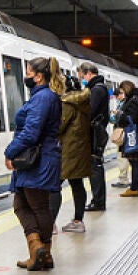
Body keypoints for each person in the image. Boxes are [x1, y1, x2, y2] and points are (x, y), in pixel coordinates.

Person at [5, 57, 62, 271]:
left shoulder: (43, 98)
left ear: (38, 76)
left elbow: (31, 132)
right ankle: (39, 251)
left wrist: (10, 152)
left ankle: (40, 250)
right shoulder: (43, 96)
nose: (26, 76)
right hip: (38, 159)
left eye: (28, 72)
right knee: (22, 205)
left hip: (38, 160)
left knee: (38, 207)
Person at [57, 71, 92, 233]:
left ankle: (49, 224)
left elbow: (59, 126)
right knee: (77, 184)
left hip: (69, 148)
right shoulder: (82, 101)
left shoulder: (68, 103)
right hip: (80, 147)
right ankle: (78, 220)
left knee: (53, 185)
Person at [79, 62, 109, 211]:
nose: (82, 79)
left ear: (89, 73)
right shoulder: (100, 88)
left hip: (95, 133)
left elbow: (90, 111)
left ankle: (98, 201)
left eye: (82, 76)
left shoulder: (97, 90)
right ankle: (98, 200)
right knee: (95, 165)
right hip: (97, 131)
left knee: (94, 166)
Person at [115, 81, 138, 197]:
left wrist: (120, 116)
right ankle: (134, 187)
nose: (121, 92)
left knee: (134, 161)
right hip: (132, 133)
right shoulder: (134, 99)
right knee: (134, 161)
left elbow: (131, 118)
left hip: (132, 134)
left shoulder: (134, 101)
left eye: (122, 90)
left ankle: (134, 188)